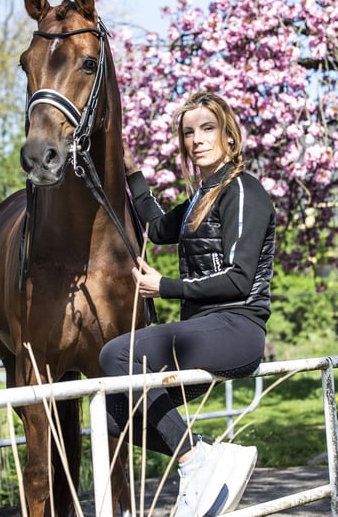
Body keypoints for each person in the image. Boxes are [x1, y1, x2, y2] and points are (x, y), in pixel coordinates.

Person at [99, 91, 275, 516]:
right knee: (110, 412)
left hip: (237, 327)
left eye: (207, 129)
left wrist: (165, 287)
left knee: (117, 355)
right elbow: (158, 229)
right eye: (188, 133)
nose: (197, 140)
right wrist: (132, 172)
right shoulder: (201, 196)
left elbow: (238, 279)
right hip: (204, 330)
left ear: (229, 137)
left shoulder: (243, 191)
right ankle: (205, 458)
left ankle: (195, 461)